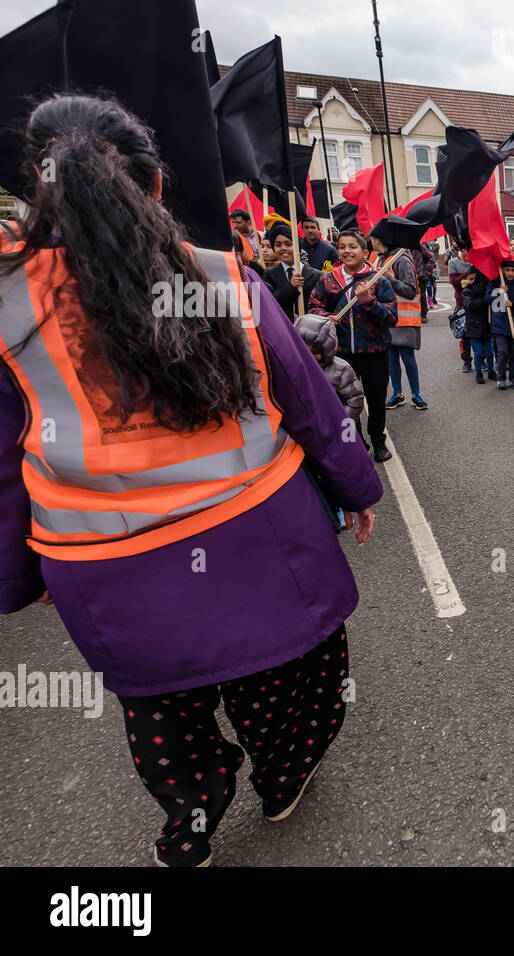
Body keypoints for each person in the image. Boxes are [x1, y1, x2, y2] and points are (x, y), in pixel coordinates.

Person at [0, 95, 382, 867]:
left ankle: (193, 817)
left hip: (104, 563)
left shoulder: (8, 306)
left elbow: (3, 466)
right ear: (157, 189)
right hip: (256, 538)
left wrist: (19, 571)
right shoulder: (222, 278)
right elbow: (308, 401)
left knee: (162, 714)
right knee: (291, 688)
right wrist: (357, 488)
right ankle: (283, 776)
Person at [308, 227, 398, 462]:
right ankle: (356, 441)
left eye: (352, 246)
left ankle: (379, 441)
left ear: (364, 252)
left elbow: (391, 318)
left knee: (376, 399)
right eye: (342, 247)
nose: (346, 251)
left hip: (375, 352)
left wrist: (370, 302)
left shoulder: (379, 280)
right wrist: (325, 316)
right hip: (340, 353)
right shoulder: (328, 280)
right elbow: (314, 307)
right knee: (346, 402)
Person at [369, 223, 426, 411]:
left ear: (378, 240)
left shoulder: (401, 260)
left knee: (407, 357)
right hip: (385, 318)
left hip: (404, 319)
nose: (370, 241)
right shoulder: (377, 260)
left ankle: (416, 395)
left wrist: (389, 279)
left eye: (372, 238)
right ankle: (397, 394)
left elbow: (410, 291)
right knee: (391, 358)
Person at [294, 312, 365, 430]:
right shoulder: (292, 366)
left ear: (326, 349)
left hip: (336, 428)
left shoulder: (342, 369)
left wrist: (341, 423)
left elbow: (355, 399)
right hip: (305, 430)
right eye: (303, 350)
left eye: (315, 352)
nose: (309, 356)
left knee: (350, 445)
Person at [261, 219, 321, 317]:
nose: (283, 248)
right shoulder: (268, 275)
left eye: (288, 244)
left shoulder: (316, 276)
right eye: (278, 245)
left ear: (297, 246)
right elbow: (270, 304)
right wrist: (290, 287)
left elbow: (321, 305)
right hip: (282, 328)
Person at [490, 259, 514, 390]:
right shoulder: (495, 282)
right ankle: (501, 378)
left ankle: (513, 378)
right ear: (503, 270)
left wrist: (513, 304)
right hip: (499, 323)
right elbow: (487, 298)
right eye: (508, 270)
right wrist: (499, 292)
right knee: (503, 352)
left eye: (513, 270)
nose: (510, 273)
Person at [459, 264, 495, 383]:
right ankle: (478, 372)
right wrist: (485, 300)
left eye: (473, 277)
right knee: (478, 352)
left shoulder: (487, 288)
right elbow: (470, 305)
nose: (471, 279)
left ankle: (491, 370)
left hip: (487, 324)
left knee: (490, 351)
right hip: (473, 326)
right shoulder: (467, 290)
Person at [447, 242, 473, 372]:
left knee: (480, 333)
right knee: (464, 334)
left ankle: (483, 360)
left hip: (477, 302)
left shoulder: (478, 261)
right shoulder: (453, 263)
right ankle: (466, 361)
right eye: (467, 250)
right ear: (462, 250)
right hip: (461, 303)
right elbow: (455, 283)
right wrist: (469, 271)